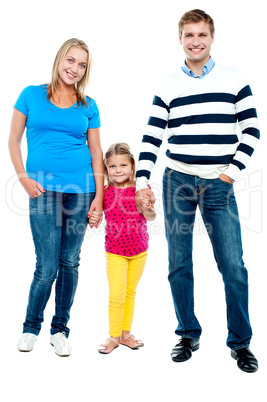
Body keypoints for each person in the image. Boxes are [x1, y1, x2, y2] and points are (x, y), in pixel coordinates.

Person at [135, 9, 260, 373]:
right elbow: (152, 136)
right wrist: (142, 180)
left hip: (219, 184)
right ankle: (188, 333)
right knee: (178, 263)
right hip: (177, 182)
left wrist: (229, 176)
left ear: (212, 37)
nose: (195, 41)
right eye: (189, 35)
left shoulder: (234, 80)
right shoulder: (168, 85)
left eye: (201, 35)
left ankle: (240, 342)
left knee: (233, 266)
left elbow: (251, 131)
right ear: (180, 39)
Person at [9, 38, 104, 357]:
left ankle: (59, 329)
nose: (74, 68)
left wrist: (99, 198)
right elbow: (13, 140)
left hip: (82, 191)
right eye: (71, 60)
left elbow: (95, 151)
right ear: (59, 59)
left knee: (70, 262)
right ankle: (30, 327)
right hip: (43, 192)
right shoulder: (31, 95)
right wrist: (23, 178)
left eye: (82, 65)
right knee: (47, 266)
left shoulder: (88, 105)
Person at [89, 143, 155, 353]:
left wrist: (148, 208)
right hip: (115, 252)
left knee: (130, 293)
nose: (118, 170)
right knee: (116, 294)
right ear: (107, 169)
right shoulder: (105, 193)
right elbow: (95, 218)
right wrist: (93, 218)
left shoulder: (140, 190)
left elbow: (152, 217)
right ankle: (114, 336)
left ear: (132, 166)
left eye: (123, 165)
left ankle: (126, 334)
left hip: (139, 252)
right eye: (113, 166)